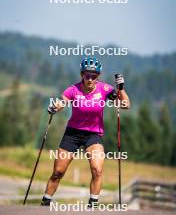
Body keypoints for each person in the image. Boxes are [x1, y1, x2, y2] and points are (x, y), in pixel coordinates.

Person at [41, 56, 130, 207]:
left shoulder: (105, 89)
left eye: (93, 76)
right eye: (87, 75)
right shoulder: (73, 90)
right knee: (58, 172)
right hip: (72, 134)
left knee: (97, 169)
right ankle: (45, 201)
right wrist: (55, 107)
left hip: (93, 135)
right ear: (82, 74)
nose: (90, 79)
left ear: (98, 77)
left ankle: (93, 204)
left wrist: (121, 89)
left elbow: (125, 105)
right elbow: (62, 102)